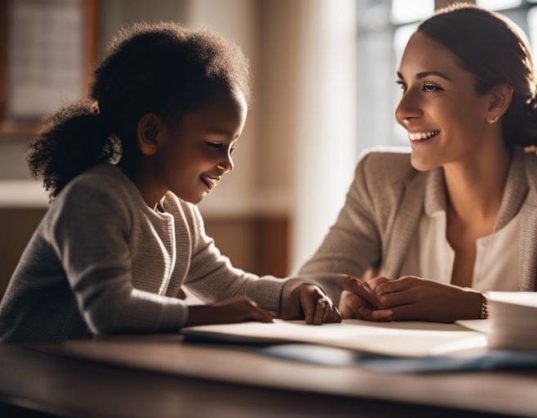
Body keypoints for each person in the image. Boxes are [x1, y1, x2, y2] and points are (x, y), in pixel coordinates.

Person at [0, 23, 343, 343]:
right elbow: (109, 310)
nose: (228, 163)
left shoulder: (181, 217)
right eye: (214, 144)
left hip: (88, 372)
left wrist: (291, 292)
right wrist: (210, 315)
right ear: (151, 133)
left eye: (232, 147)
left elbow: (225, 284)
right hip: (24, 376)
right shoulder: (93, 197)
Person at [298, 4, 537, 323]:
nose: (402, 111)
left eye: (430, 87)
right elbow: (306, 290)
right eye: (403, 85)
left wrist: (478, 306)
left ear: (495, 101)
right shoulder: (379, 178)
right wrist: (339, 302)